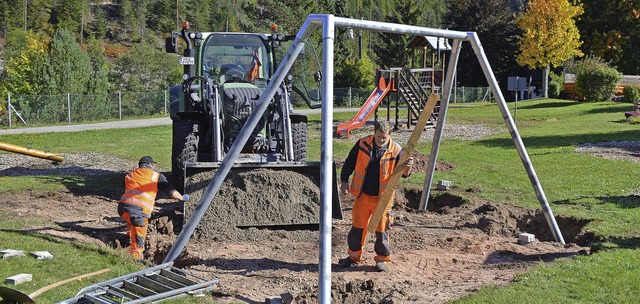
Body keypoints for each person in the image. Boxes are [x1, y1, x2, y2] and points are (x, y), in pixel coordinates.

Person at [338, 120, 413, 272]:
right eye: (378, 136)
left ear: (389, 135)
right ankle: (353, 256)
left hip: (383, 199)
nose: (381, 140)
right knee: (357, 228)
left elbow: (405, 175)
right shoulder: (362, 144)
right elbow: (349, 162)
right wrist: (344, 180)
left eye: (384, 137)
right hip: (363, 196)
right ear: (374, 133)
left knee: (382, 230)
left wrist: (408, 166)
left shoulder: (397, 150)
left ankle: (382, 259)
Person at [117, 156, 189, 260]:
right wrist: (182, 198)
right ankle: (135, 260)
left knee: (131, 222)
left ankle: (128, 238)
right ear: (151, 165)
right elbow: (171, 192)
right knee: (139, 238)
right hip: (139, 212)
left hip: (122, 208)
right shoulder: (156, 176)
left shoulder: (130, 175)